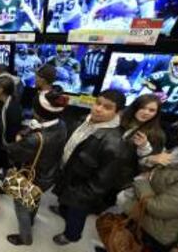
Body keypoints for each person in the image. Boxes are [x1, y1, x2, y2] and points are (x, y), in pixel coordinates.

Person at [52, 89, 130, 245]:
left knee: (76, 216)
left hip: (81, 192)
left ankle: (71, 236)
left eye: (107, 107)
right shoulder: (85, 119)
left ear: (118, 112)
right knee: (66, 205)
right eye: (98, 103)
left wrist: (78, 197)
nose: (98, 108)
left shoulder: (115, 144)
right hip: (69, 177)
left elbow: (101, 183)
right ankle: (63, 209)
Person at [6, 87, 69, 246]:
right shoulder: (62, 124)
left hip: (31, 176)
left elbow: (14, 153)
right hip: (49, 174)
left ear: (37, 111)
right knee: (35, 197)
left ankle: (25, 237)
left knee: (21, 206)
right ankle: (32, 218)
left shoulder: (34, 139)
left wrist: (19, 139)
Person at [121, 118, 178, 252]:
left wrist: (141, 181)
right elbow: (154, 176)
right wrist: (149, 160)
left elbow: (159, 208)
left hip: (154, 233)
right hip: (140, 216)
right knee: (117, 242)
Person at [120, 94, 166, 173]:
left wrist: (144, 147)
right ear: (135, 107)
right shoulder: (120, 119)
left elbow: (147, 166)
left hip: (125, 174)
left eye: (151, 110)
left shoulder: (157, 135)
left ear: (156, 113)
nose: (146, 112)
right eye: (142, 108)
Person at [0, 75, 23, 176]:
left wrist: (7, 147)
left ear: (1, 90)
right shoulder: (2, 103)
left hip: (9, 146)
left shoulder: (12, 108)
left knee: (8, 167)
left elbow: (12, 132)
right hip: (3, 144)